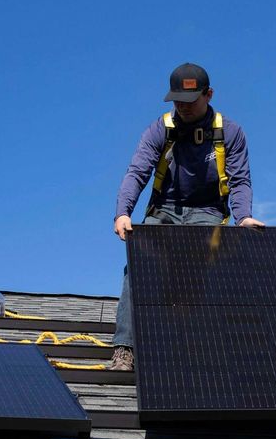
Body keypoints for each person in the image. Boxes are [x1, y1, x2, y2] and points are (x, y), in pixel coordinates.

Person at [109, 63, 264, 370]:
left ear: (208, 95)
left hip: (207, 212)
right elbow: (137, 172)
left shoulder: (229, 132)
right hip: (164, 209)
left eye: (189, 100)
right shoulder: (160, 129)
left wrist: (243, 217)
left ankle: (203, 347)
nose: (182, 106)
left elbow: (240, 180)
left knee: (204, 266)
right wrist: (122, 213)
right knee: (138, 266)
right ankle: (125, 349)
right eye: (177, 99)